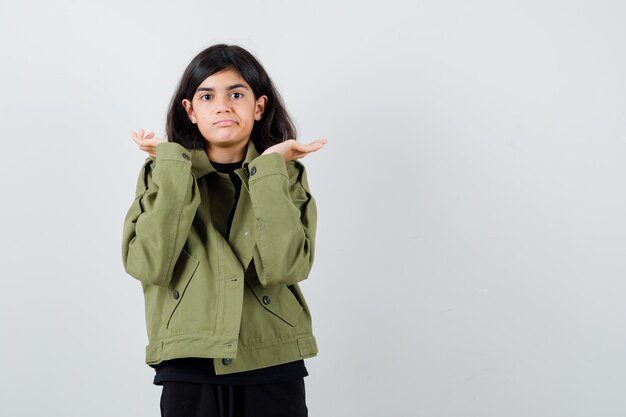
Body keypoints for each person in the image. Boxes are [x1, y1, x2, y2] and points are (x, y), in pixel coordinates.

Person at [121, 44, 326, 417]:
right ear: (191, 110)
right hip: (189, 359)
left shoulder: (284, 173)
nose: (222, 106)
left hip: (272, 355)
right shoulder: (162, 173)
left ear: (258, 107)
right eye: (207, 95)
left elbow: (285, 268)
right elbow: (149, 265)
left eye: (236, 94)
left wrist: (267, 170)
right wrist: (172, 165)